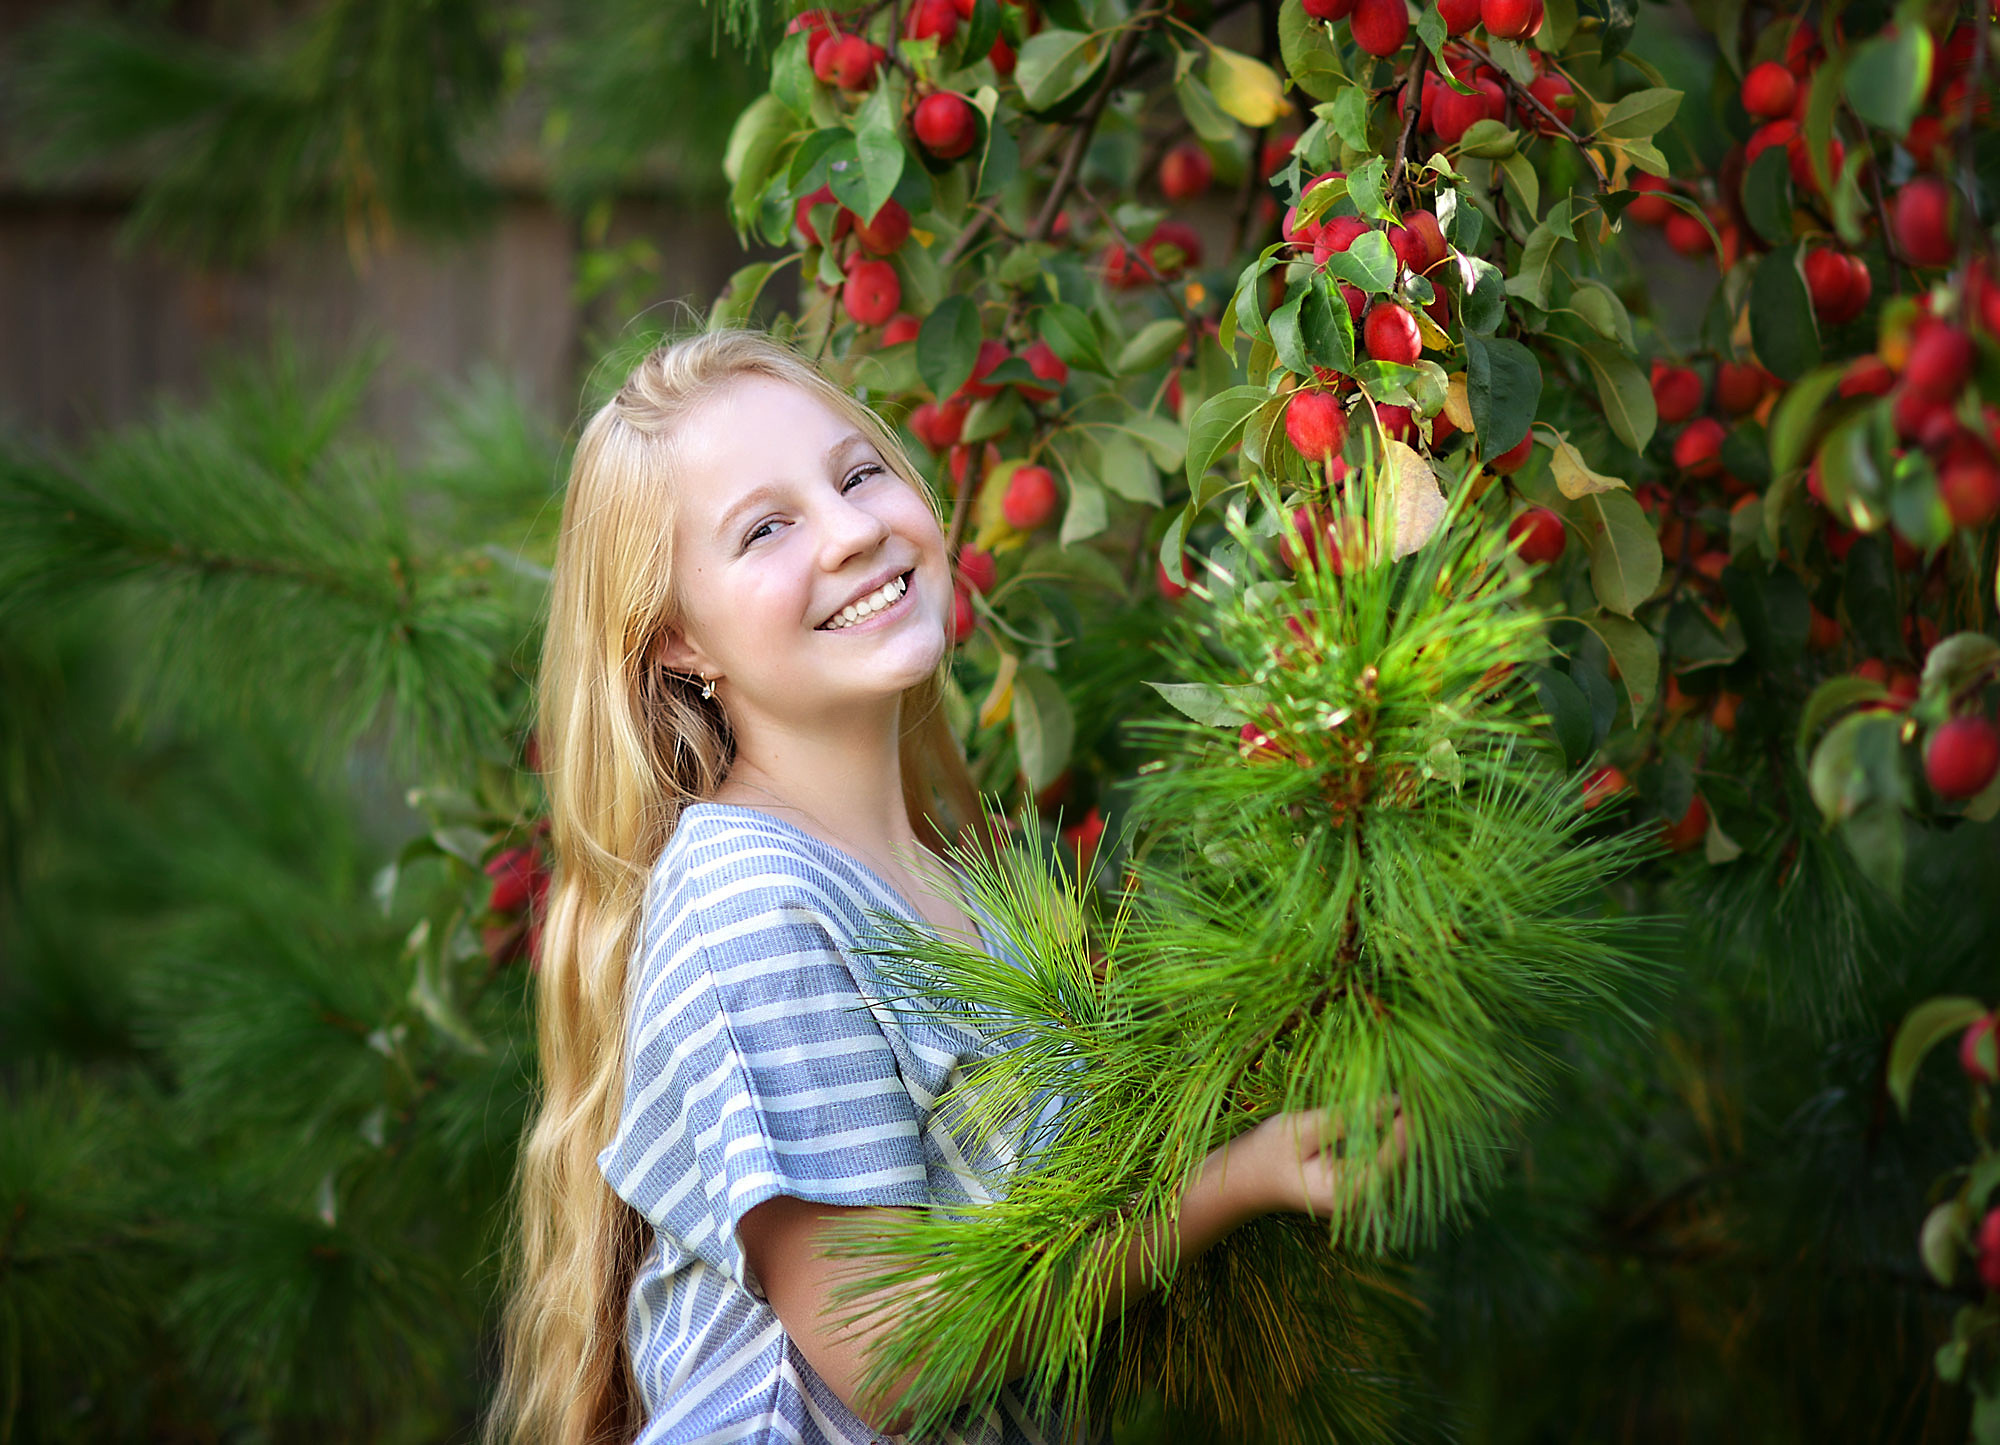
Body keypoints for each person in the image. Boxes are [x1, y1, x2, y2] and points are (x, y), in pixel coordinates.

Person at [489, 328, 1407, 1445]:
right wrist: (1224, 1186)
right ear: (680, 640)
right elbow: (894, 1356)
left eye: (858, 471)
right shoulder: (748, 901)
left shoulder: (949, 882)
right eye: (765, 527)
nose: (853, 528)